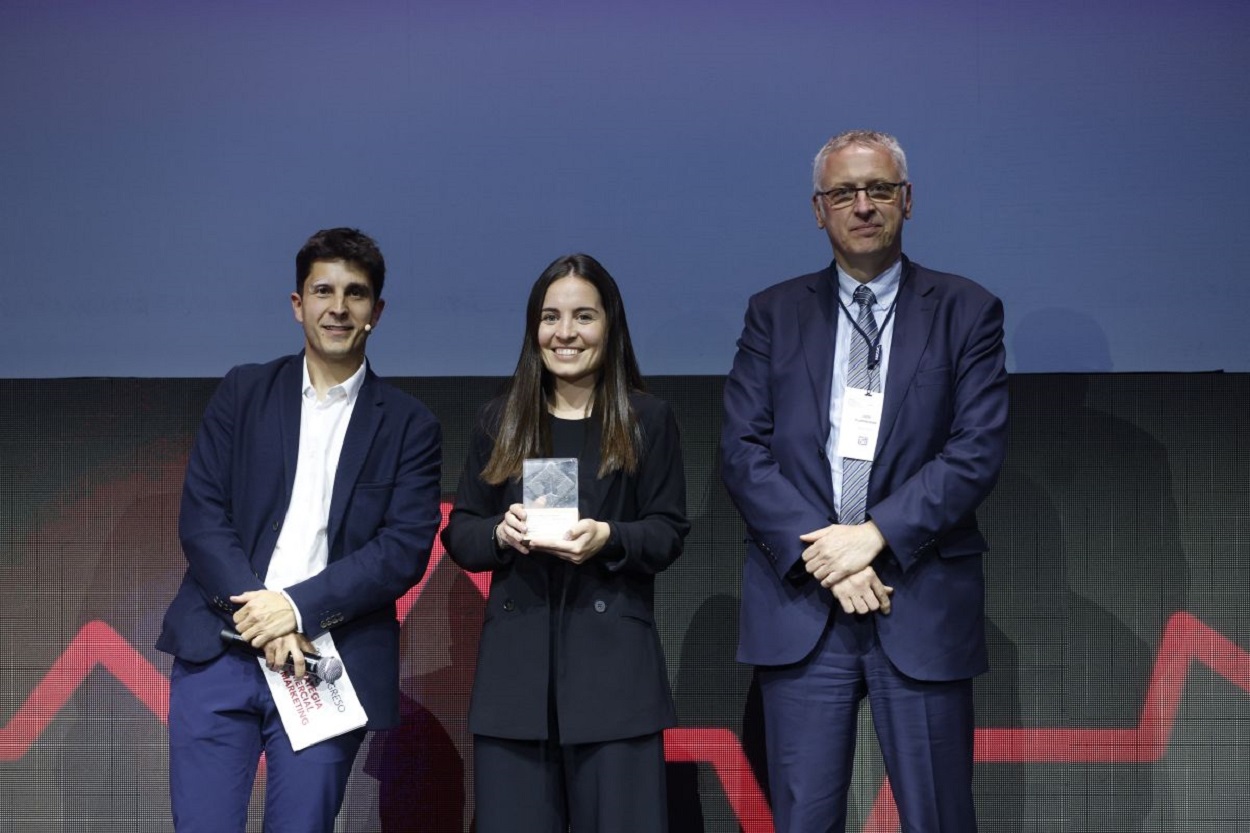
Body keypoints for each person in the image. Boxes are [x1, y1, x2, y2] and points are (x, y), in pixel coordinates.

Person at [721, 130, 1008, 831]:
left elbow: (974, 450)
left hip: (919, 596)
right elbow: (742, 447)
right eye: (844, 193)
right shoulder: (773, 312)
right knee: (803, 817)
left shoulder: (966, 310)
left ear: (907, 201)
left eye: (879, 189)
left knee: (938, 816)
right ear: (818, 211)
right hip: (804, 604)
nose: (864, 205)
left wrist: (875, 535)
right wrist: (831, 554)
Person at [156, 228, 443, 832]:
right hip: (220, 649)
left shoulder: (409, 426)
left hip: (324, 660)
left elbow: (402, 550)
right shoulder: (243, 391)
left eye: (355, 294)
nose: (338, 307)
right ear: (297, 304)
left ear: (377, 312)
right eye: (323, 290)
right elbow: (204, 515)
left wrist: (295, 608)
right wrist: (261, 617)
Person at [441, 253, 689, 832]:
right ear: (534, 329)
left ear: (610, 325)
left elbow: (668, 531)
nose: (566, 333)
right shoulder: (500, 419)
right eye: (551, 317)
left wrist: (608, 538)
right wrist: (501, 533)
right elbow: (462, 530)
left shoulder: (646, 419)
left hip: (614, 680)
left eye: (584, 316)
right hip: (516, 681)